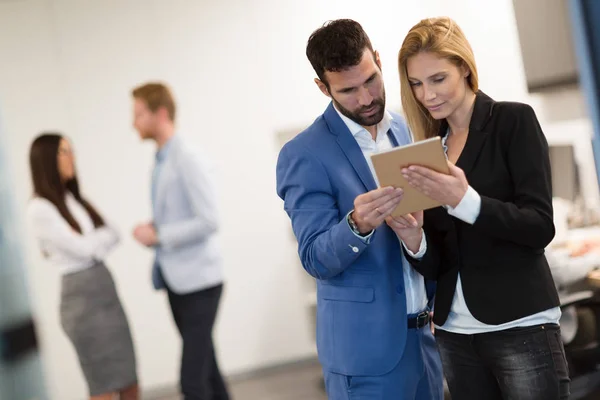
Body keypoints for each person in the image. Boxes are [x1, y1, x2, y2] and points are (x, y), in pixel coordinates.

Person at [391, 16, 570, 399]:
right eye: (417, 84)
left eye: (438, 79)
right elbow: (438, 260)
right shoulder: (427, 149)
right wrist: (414, 240)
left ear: (465, 68)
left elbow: (539, 226)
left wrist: (465, 200)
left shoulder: (512, 120)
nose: (427, 95)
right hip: (455, 333)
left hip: (520, 324)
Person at [276, 19, 443, 400]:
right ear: (323, 87)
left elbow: (427, 227)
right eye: (348, 90)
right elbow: (314, 257)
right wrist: (356, 224)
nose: (366, 99)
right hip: (366, 357)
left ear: (379, 61)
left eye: (371, 80)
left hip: (425, 343)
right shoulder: (303, 154)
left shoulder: (405, 129)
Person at [130, 82, 229, 400]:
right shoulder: (162, 160)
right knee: (208, 372)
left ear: (160, 114)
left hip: (200, 283)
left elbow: (209, 220)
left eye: (138, 114)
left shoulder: (186, 156)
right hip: (178, 281)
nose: (133, 122)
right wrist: (157, 227)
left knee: (192, 382)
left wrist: (159, 235)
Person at [27, 133, 138, 400]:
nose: (72, 157)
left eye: (71, 150)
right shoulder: (40, 208)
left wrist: (92, 242)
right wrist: (94, 242)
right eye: (64, 152)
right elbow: (85, 249)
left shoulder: (74, 199)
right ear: (47, 160)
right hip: (82, 303)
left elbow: (114, 232)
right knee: (103, 383)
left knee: (129, 379)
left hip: (105, 294)